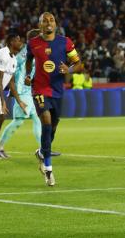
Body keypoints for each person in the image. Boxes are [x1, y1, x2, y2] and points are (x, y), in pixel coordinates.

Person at [26, 12, 84, 186]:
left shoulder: (65, 42)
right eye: (45, 20)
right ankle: (49, 170)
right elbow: (29, 61)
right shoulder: (33, 43)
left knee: (54, 125)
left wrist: (69, 69)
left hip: (57, 91)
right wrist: (29, 75)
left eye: (51, 20)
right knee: (46, 122)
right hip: (39, 90)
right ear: (40, 24)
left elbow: (78, 63)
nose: (48, 22)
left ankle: (43, 152)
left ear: (55, 24)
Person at [0, 30, 42, 158]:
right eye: (41, 37)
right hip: (21, 91)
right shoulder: (25, 52)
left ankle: (43, 149)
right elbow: (13, 67)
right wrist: (15, 88)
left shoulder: (34, 52)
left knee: (37, 118)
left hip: (28, 91)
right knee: (18, 121)